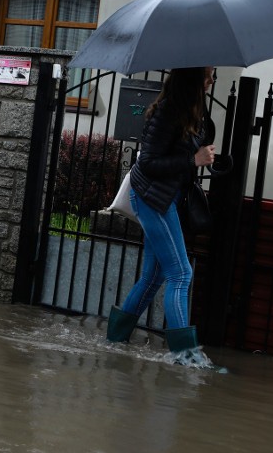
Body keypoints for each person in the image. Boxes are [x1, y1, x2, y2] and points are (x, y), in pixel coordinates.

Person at [106, 66, 216, 367]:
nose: (212, 80)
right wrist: (193, 159)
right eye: (208, 75)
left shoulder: (190, 111)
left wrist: (201, 155)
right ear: (193, 78)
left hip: (164, 198)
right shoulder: (166, 112)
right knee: (181, 274)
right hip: (150, 197)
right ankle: (185, 354)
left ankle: (115, 339)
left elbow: (182, 156)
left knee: (154, 276)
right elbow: (150, 162)